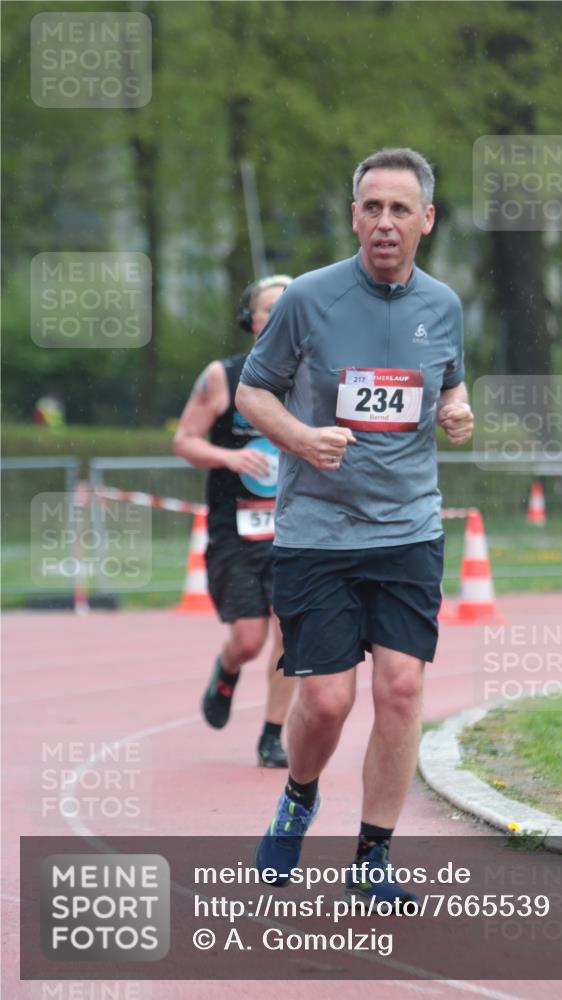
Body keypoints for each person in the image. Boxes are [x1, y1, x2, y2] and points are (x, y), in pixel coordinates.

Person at [236, 149, 474, 906]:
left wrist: (456, 407)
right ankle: (300, 795)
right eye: (370, 207)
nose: (383, 222)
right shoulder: (308, 299)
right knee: (329, 701)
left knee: (401, 690)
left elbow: (448, 376)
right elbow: (252, 393)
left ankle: (372, 853)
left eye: (399, 209)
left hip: (407, 529)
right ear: (353, 217)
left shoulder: (443, 305)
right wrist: (300, 440)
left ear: (425, 221)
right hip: (318, 532)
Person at [173, 275, 296, 768]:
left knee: (292, 637)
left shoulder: (315, 376)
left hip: (296, 529)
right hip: (236, 529)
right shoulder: (223, 376)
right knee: (249, 638)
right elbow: (185, 440)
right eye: (271, 308)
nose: (281, 316)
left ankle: (272, 735)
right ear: (252, 322)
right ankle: (227, 670)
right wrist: (230, 459)